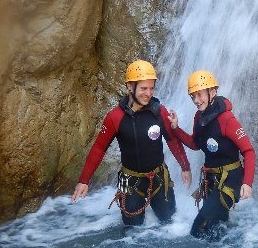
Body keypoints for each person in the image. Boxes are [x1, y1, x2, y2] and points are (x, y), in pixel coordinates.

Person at [71, 60, 192, 227]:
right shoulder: (115, 117)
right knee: (131, 227)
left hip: (158, 176)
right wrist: (84, 180)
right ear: (129, 86)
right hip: (129, 179)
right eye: (143, 88)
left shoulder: (160, 111)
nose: (148, 93)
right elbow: (99, 148)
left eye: (151, 88)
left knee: (169, 220)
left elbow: (172, 141)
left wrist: (185, 167)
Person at [168, 70, 255, 239]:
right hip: (211, 180)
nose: (196, 100)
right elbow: (195, 144)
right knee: (216, 227)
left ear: (212, 92)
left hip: (230, 179)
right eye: (193, 96)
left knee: (199, 228)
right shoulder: (199, 117)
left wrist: (247, 183)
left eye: (199, 95)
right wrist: (176, 128)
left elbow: (249, 151)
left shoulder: (227, 119)